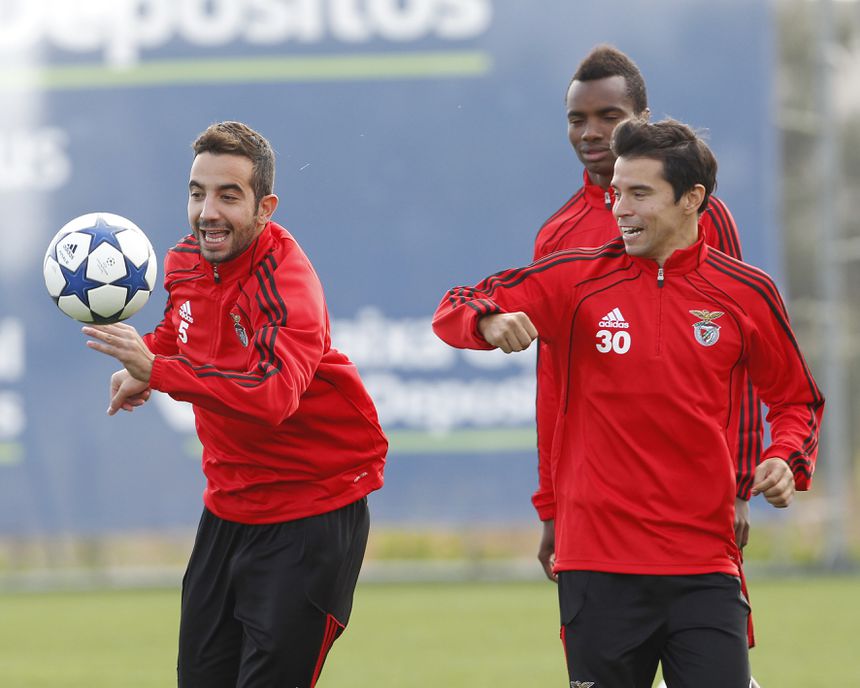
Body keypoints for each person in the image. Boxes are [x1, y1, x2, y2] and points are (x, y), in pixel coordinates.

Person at [433, 118, 823, 687]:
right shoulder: (576, 278)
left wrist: (785, 457)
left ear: (693, 200)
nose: (620, 208)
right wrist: (487, 321)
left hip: (705, 565)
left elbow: (797, 399)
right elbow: (456, 303)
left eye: (640, 194)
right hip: (598, 566)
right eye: (616, 192)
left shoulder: (747, 293)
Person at [82, 121, 388, 687]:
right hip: (228, 507)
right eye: (197, 192)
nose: (207, 212)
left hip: (312, 511)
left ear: (265, 206)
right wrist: (146, 363)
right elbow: (181, 330)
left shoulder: (286, 282)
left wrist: (162, 371)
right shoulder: (183, 261)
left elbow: (274, 396)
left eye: (229, 195)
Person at [532, 46, 761, 586]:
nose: (591, 132)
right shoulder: (557, 236)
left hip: (694, 491)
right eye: (577, 119)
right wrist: (550, 502)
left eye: (608, 117)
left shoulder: (698, 214)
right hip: (595, 500)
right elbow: (553, 380)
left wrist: (737, 484)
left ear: (640, 120)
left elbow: (739, 353)